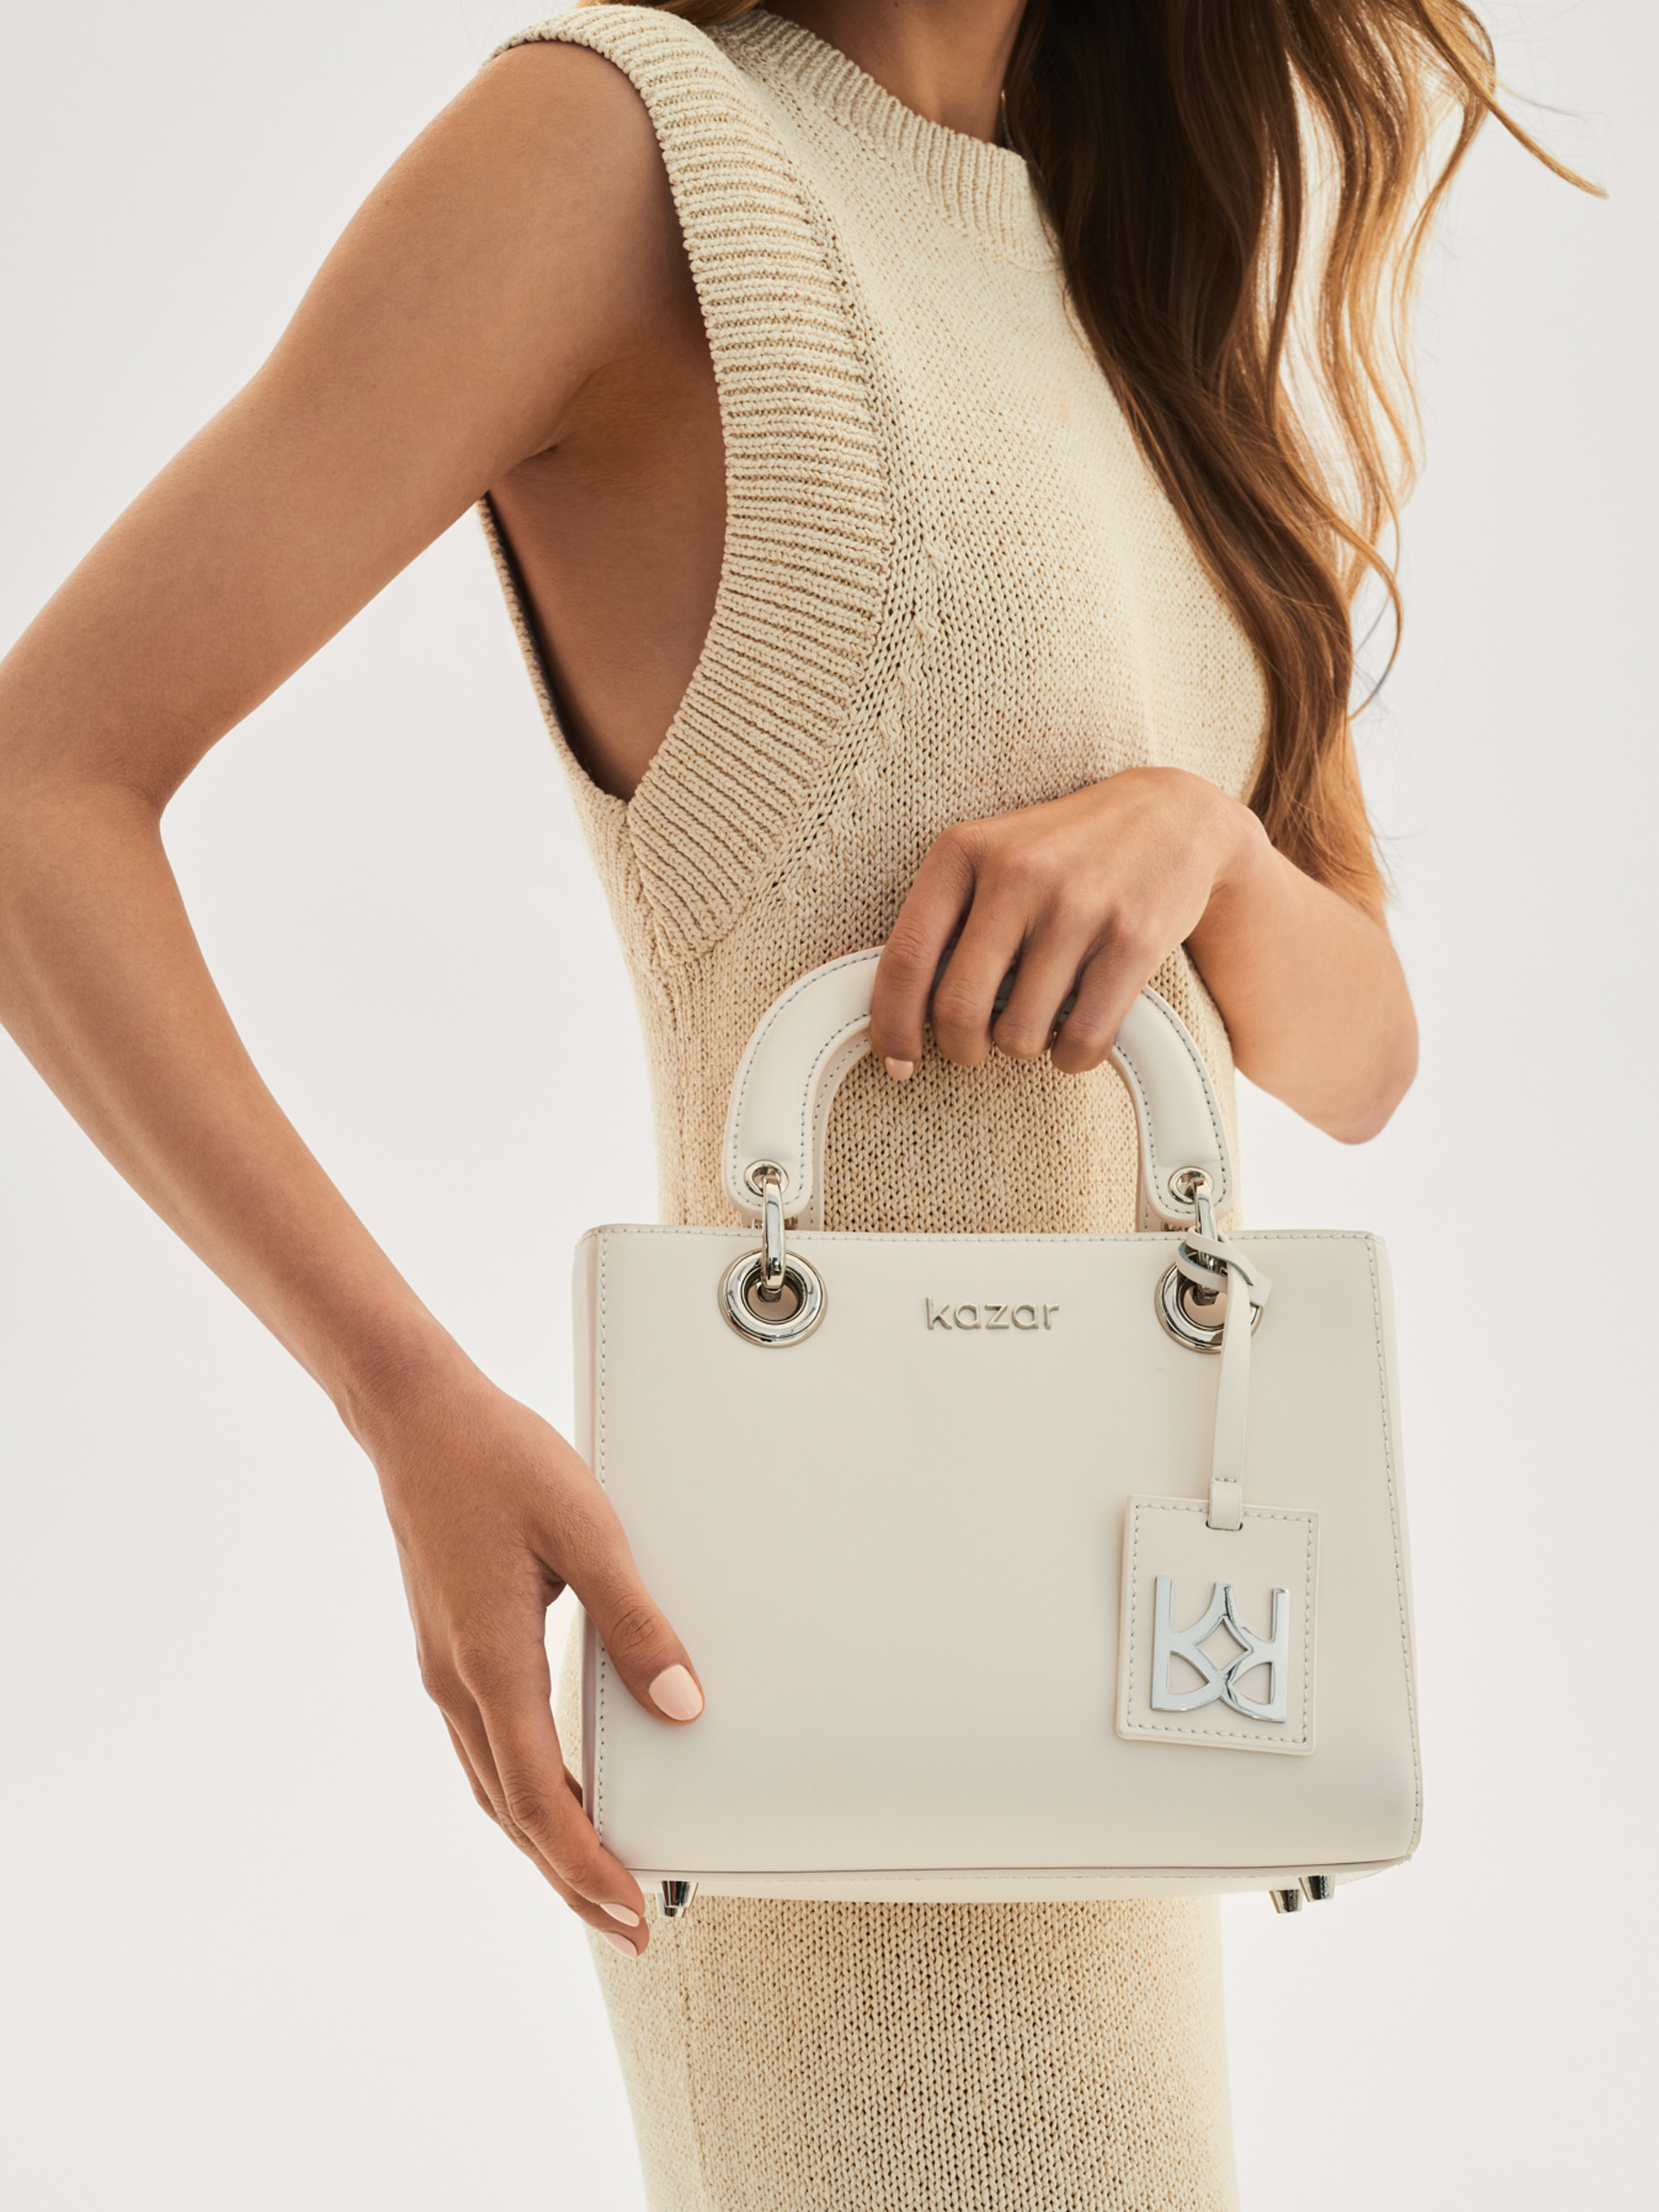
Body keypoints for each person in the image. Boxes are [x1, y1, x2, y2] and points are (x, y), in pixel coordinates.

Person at [0, 3, 1587, 2205]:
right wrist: (404, 1396)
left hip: (1119, 1747)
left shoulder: (1126, 263)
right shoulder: (625, 151)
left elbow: (1361, 1053)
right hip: (810, 1743)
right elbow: (41, 785)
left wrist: (1205, 844)